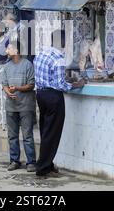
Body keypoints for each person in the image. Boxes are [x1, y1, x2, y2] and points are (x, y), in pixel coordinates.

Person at [34, 30, 85, 177]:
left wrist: (64, 80)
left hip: (41, 95)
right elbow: (60, 85)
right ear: (62, 42)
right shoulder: (58, 58)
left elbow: (49, 78)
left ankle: (46, 164)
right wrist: (77, 84)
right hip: (53, 97)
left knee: (45, 130)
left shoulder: (41, 54)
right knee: (52, 133)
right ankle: (43, 168)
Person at [1, 41, 37, 172]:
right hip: (11, 106)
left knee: (27, 135)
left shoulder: (27, 65)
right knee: (12, 136)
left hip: (26, 106)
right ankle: (14, 161)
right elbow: (4, 84)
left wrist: (17, 88)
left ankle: (31, 162)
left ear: (16, 50)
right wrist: (8, 92)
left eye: (9, 48)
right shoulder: (6, 67)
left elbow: (31, 85)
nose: (6, 51)